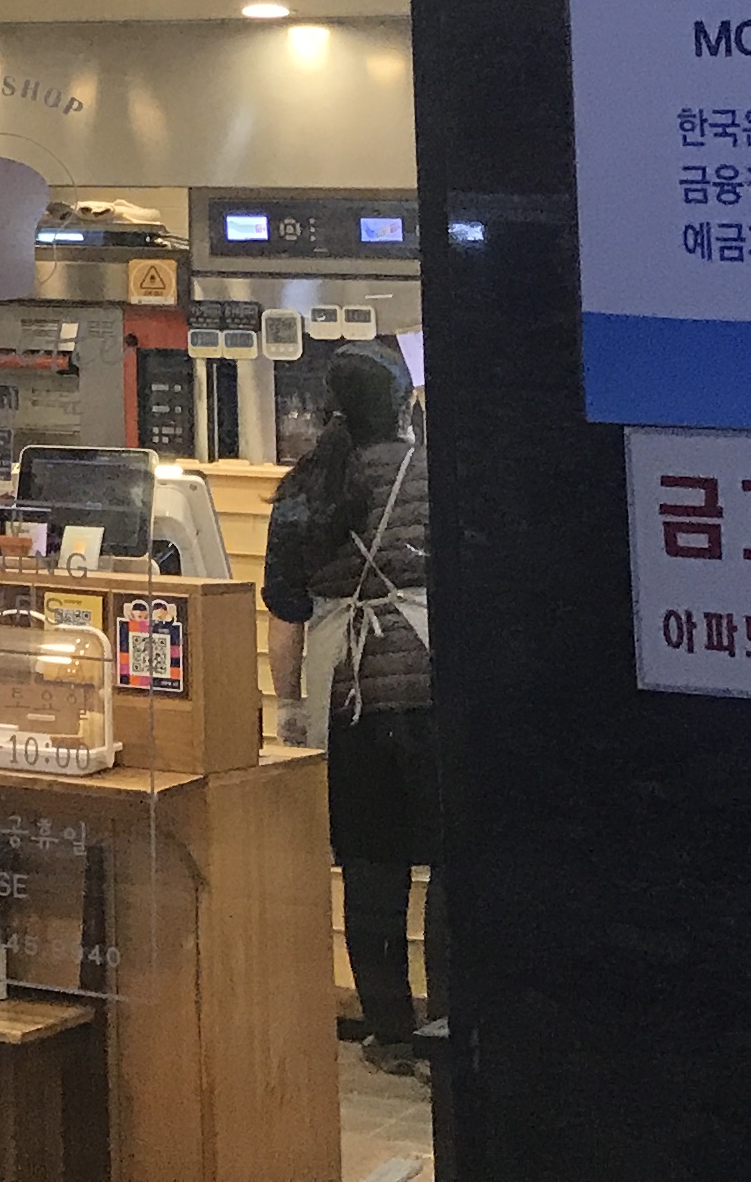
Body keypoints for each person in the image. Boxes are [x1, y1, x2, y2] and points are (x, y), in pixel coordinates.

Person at [262, 348, 435, 1073]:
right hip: (430, 693)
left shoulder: (303, 487)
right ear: (399, 405)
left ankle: (390, 1032)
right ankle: (450, 1028)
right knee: (452, 868)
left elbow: (286, 616)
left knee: (370, 873)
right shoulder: (431, 472)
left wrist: (290, 709)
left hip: (347, 698)